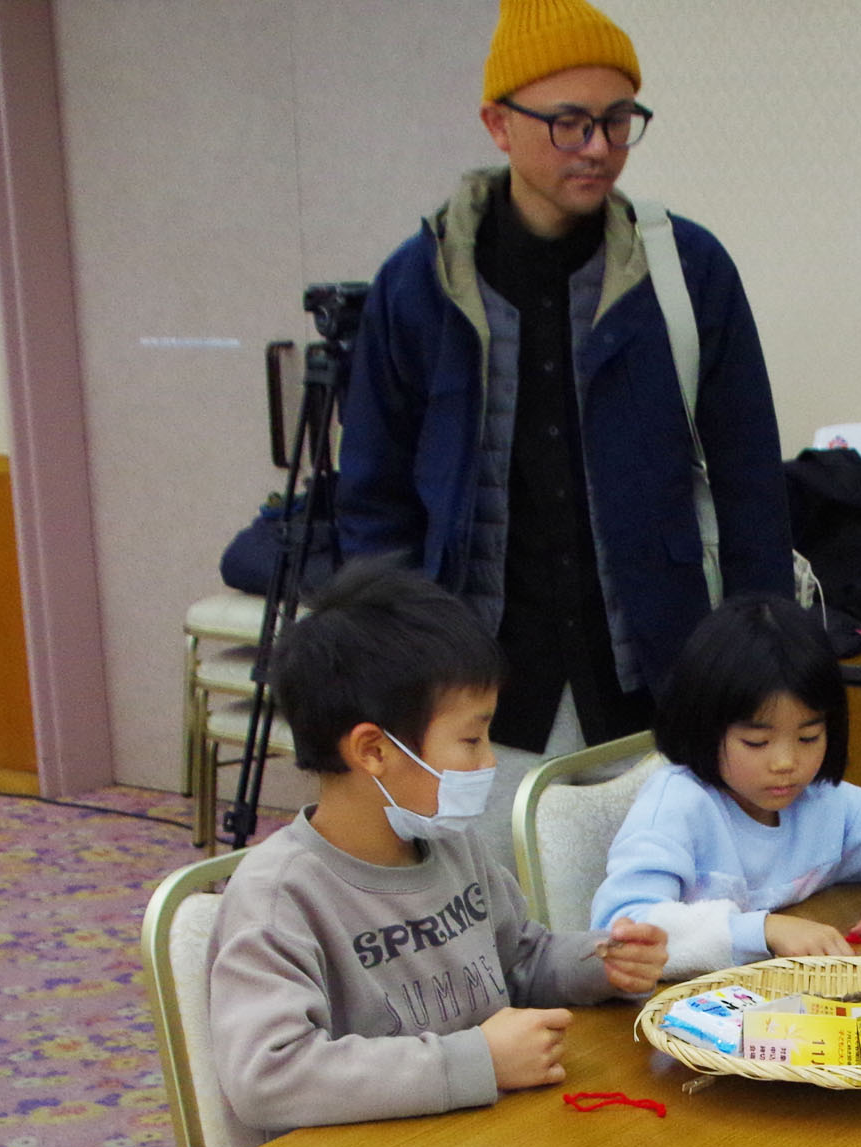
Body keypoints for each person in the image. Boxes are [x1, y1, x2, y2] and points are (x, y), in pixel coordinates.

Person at [336, 0, 794, 864]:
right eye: (570, 122)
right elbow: (375, 502)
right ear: (498, 125)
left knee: (676, 932)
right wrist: (398, 679)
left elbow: (748, 482)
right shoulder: (418, 283)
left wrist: (760, 674)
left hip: (660, 680)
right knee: (503, 941)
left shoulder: (685, 270)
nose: (598, 147)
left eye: (619, 121)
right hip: (476, 700)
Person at [207, 564, 667, 1146]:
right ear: (373, 751)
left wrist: (598, 963)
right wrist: (476, 1062)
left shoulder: (451, 847)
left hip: (470, 1146)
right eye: (471, 740)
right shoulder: (280, 896)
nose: (488, 763)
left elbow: (520, 961)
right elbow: (268, 1077)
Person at [592, 595, 861, 976]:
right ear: (705, 726)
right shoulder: (679, 805)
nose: (786, 764)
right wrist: (764, 930)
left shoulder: (824, 802)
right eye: (757, 743)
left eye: (809, 737)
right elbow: (622, 930)